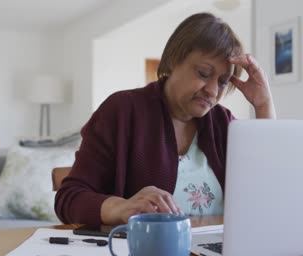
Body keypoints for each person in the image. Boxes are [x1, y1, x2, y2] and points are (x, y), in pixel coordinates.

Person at [55, 12, 276, 225]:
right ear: (172, 60)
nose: (212, 91)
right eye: (203, 74)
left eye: (222, 81)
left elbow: (267, 189)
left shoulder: (223, 123)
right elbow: (69, 199)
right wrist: (121, 208)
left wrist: (263, 105)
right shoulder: (121, 111)